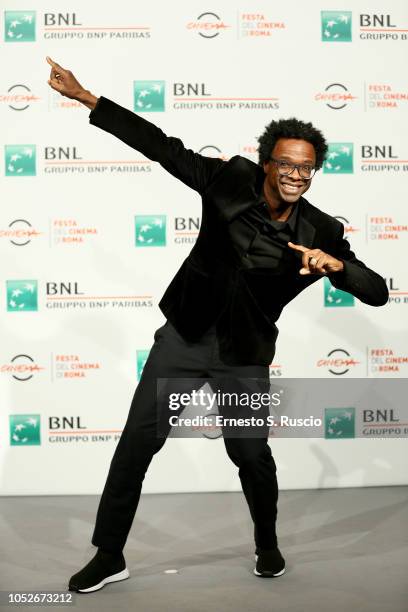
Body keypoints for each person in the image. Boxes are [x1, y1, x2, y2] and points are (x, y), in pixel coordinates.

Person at [46, 57, 389, 593]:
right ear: (267, 162)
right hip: (183, 339)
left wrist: (338, 266)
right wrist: (89, 99)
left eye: (307, 168)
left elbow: (379, 291)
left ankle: (267, 546)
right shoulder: (230, 179)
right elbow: (164, 147)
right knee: (135, 447)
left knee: (251, 455)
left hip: (244, 358)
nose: (297, 175)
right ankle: (109, 555)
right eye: (287, 164)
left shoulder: (321, 229)